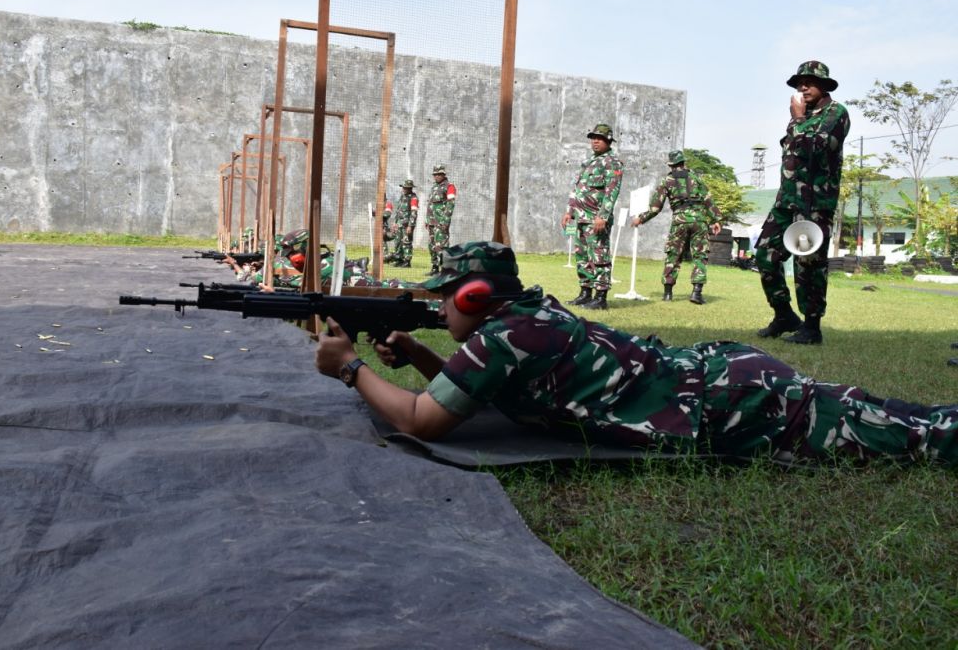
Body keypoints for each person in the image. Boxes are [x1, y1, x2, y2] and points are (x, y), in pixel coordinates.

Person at [315, 241, 956, 465]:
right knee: (889, 417)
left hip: (737, 403)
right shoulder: (523, 319)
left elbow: (424, 422)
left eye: (448, 296)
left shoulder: (505, 335)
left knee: (908, 433)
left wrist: (349, 367)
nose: (440, 307)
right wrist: (424, 362)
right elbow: (489, 392)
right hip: (721, 381)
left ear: (478, 295)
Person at [755, 60, 850, 345]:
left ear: (824, 85)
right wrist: (798, 121)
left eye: (809, 81)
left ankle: (811, 326)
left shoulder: (836, 113)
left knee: (808, 263)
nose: (802, 86)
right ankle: (783, 314)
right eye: (799, 83)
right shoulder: (803, 115)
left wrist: (797, 120)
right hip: (786, 201)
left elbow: (817, 148)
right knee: (764, 254)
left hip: (814, 202)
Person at [632, 150, 722, 304]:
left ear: (671, 164)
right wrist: (717, 220)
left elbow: (655, 208)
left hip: (679, 221)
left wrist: (641, 218)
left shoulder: (666, 181)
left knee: (673, 255)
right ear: (684, 163)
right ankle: (696, 293)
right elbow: (708, 200)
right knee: (700, 255)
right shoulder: (697, 178)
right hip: (699, 221)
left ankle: (668, 294)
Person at [560, 123, 624, 310]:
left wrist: (602, 216)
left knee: (599, 256)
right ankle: (585, 293)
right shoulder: (589, 162)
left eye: (600, 138)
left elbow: (612, 192)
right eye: (593, 138)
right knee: (582, 257)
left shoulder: (612, 163)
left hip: (596, 219)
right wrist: (568, 212)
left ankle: (601, 297)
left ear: (609, 140)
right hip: (579, 218)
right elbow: (577, 189)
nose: (595, 141)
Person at [426, 165, 457, 275]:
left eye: (439, 174)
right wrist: (427, 220)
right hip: (431, 222)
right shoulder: (434, 187)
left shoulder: (449, 186)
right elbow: (430, 205)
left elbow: (451, 204)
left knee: (441, 246)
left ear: (444, 174)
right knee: (431, 245)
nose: (437, 176)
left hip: (441, 222)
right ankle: (434, 268)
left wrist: (445, 221)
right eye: (435, 174)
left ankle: (446, 269)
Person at [390, 179, 420, 268]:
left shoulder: (413, 198)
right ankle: (399, 259)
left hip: (407, 225)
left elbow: (414, 213)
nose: (403, 189)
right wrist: (395, 223)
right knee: (398, 242)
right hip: (399, 223)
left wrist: (410, 226)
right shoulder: (402, 197)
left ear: (410, 188)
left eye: (405, 187)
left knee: (406, 242)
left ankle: (407, 261)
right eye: (403, 187)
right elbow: (398, 211)